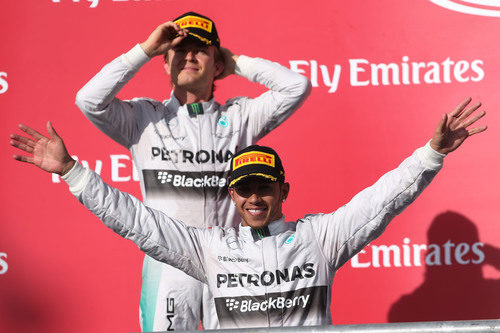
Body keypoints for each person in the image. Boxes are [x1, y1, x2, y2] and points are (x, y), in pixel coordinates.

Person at [10, 98, 486, 328]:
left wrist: (430, 154)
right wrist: (72, 172)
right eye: (244, 190)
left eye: (264, 188)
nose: (254, 198)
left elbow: (382, 200)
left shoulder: (320, 238)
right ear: (233, 196)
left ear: (283, 190)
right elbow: (136, 220)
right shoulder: (209, 248)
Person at [74, 11, 311, 331]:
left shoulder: (241, 116)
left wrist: (236, 62)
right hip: (168, 264)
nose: (189, 56)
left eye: (201, 50)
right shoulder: (143, 118)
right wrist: (144, 50)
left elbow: (296, 86)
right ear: (164, 60)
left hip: (234, 264)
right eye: (179, 48)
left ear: (217, 65)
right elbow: (89, 100)